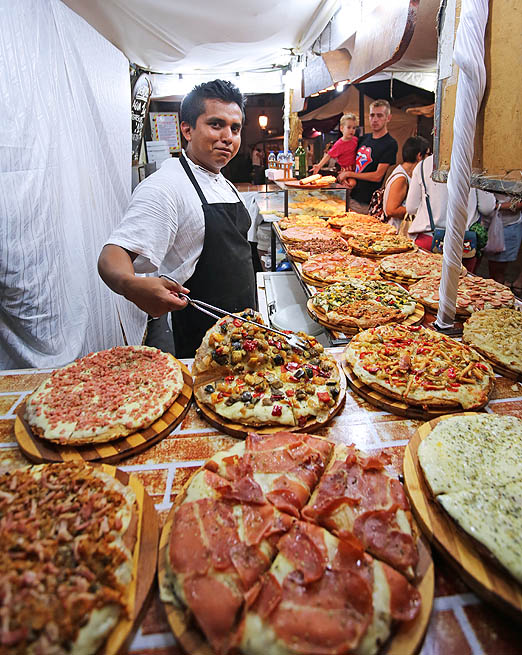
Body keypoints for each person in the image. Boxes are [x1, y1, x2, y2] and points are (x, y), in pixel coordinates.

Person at [98, 79, 256, 358]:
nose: (228, 136)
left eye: (235, 128)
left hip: (244, 325)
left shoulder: (222, 180)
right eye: (216, 124)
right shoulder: (166, 186)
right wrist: (130, 285)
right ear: (187, 129)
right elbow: (113, 254)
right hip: (202, 335)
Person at [405, 154, 496, 272]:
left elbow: (411, 208)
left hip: (428, 239)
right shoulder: (476, 166)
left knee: (421, 285)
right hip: (463, 244)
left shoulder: (423, 165)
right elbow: (487, 207)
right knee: (460, 288)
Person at [338, 100, 398, 214]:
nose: (375, 119)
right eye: (372, 115)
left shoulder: (390, 143)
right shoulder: (364, 138)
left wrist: (349, 174)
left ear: (388, 118)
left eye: (379, 115)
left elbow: (377, 176)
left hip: (366, 202)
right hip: (349, 195)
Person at [383, 136, 430, 232]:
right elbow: (391, 210)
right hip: (397, 231)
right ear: (419, 156)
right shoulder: (401, 178)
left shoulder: (408, 174)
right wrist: (422, 210)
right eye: (428, 154)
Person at [485, 193, 522, 288]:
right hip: (480, 223)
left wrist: (496, 206)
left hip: (507, 225)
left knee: (497, 272)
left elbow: (520, 203)